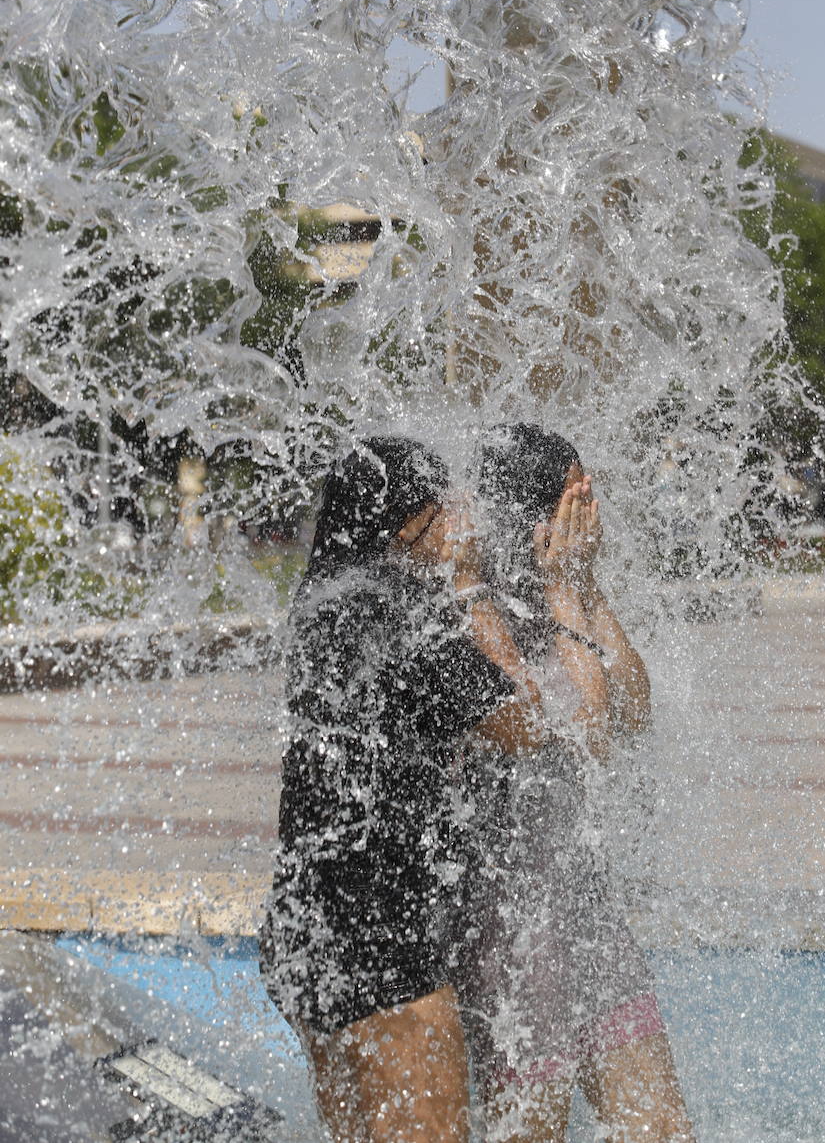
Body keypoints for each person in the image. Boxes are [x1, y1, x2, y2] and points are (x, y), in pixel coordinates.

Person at [260, 435, 544, 1143]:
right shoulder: (405, 613)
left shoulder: (322, 605)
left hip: (304, 924)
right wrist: (470, 581)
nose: (461, 509)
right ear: (409, 520)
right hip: (384, 938)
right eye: (443, 497)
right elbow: (526, 723)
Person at [452, 423, 694, 1142]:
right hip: (509, 921)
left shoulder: (563, 594)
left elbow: (633, 716)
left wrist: (585, 588)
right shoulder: (477, 608)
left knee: (660, 1128)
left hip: (583, 905)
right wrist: (563, 586)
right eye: (576, 497)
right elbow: (586, 733)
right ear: (535, 514)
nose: (589, 512)